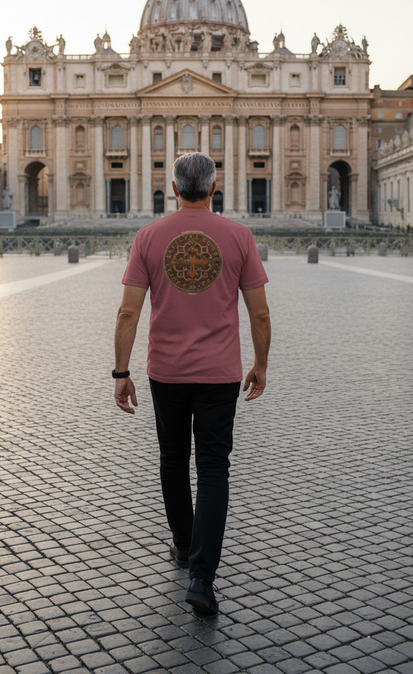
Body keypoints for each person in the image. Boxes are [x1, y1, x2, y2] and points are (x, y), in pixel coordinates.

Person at [114, 152, 271, 614]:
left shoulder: (148, 237)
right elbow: (258, 312)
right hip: (220, 372)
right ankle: (202, 579)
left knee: (172, 458)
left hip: (166, 371)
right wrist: (261, 363)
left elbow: (128, 311)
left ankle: (183, 545)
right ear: (214, 187)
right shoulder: (240, 236)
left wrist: (121, 372)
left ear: (174, 189)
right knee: (214, 467)